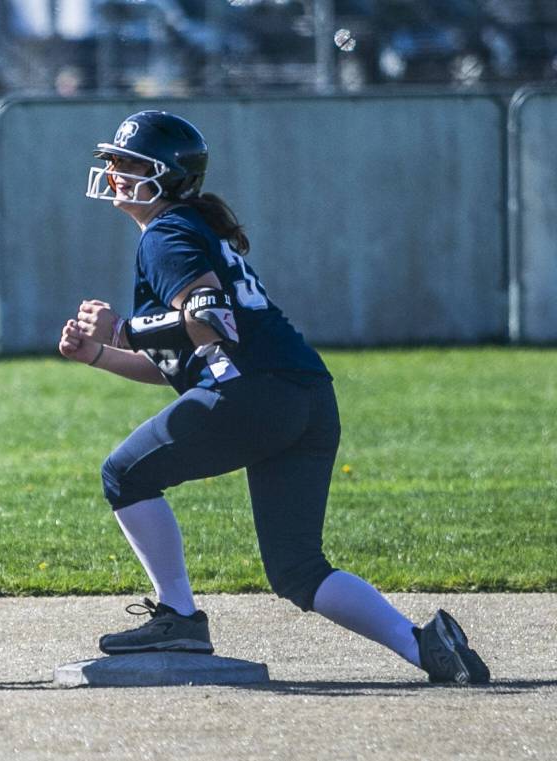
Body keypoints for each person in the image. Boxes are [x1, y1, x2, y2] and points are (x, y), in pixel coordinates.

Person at [60, 110, 490, 685]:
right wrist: (98, 355)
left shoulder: (167, 232)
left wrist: (122, 330)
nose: (114, 173)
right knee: (297, 569)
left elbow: (209, 318)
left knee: (124, 474)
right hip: (305, 394)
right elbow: (189, 361)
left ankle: (179, 616)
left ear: (168, 176)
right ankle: (424, 646)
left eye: (130, 164)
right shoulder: (191, 230)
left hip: (256, 394)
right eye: (113, 162)